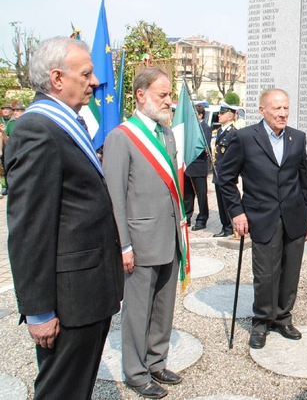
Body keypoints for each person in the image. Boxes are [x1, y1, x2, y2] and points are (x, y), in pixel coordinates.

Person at [5, 37, 124, 399]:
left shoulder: (65, 124)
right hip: (70, 300)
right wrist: (39, 311)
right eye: (86, 73)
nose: (94, 81)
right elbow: (29, 229)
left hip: (87, 292)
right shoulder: (37, 130)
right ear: (57, 78)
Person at [103, 67, 184, 399]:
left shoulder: (166, 134)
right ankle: (135, 372)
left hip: (169, 237)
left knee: (164, 307)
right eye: (162, 95)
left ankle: (156, 360)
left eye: (169, 95)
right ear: (140, 94)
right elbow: (114, 198)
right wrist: (123, 245)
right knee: (137, 312)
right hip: (139, 241)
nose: (169, 101)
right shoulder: (121, 137)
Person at [218, 88, 307, 349]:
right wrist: (236, 212)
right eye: (276, 108)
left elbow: (304, 179)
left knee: (290, 271)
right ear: (262, 110)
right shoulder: (245, 137)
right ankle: (261, 321)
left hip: (294, 216)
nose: (283, 113)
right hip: (261, 217)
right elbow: (225, 178)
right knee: (266, 273)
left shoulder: (297, 138)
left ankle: (283, 317)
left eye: (286, 108)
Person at [184, 103, 212, 231]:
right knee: (188, 194)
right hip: (188, 166)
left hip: (198, 166)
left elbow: (202, 147)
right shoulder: (190, 128)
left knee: (201, 195)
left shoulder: (205, 128)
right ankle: (187, 217)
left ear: (200, 115)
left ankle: (202, 219)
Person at [211, 101, 237, 237]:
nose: (219, 116)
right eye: (219, 113)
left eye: (222, 113)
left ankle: (230, 228)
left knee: (227, 202)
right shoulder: (220, 131)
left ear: (230, 116)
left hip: (226, 174)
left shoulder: (233, 133)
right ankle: (225, 226)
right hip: (217, 173)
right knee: (220, 203)